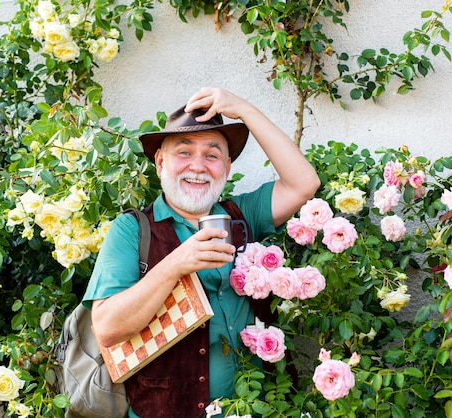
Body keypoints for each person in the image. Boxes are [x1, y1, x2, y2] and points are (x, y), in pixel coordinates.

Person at [82, 87, 320, 417]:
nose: (198, 166)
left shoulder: (242, 216)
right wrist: (175, 265)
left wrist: (243, 108)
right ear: (160, 162)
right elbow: (107, 328)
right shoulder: (133, 230)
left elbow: (303, 183)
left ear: (227, 166)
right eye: (184, 152)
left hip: (256, 407)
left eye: (212, 155)